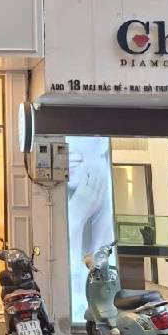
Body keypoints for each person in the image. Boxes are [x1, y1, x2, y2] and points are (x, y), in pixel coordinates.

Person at [67, 136, 113, 321]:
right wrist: (75, 216)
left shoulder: (106, 214)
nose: (69, 148)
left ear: (103, 143)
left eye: (79, 136)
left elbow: (81, 306)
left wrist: (75, 217)